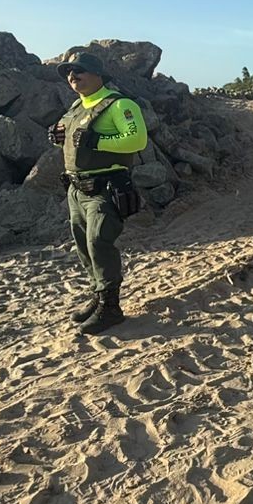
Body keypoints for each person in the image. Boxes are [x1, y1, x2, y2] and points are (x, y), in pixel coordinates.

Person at [48, 51, 148, 335]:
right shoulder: (76, 108)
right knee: (83, 246)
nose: (72, 76)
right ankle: (98, 296)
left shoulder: (119, 105)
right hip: (76, 188)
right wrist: (59, 140)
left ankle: (111, 308)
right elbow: (78, 144)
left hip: (105, 188)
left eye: (79, 70)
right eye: (68, 72)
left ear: (99, 75)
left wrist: (99, 140)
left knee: (98, 243)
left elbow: (137, 139)